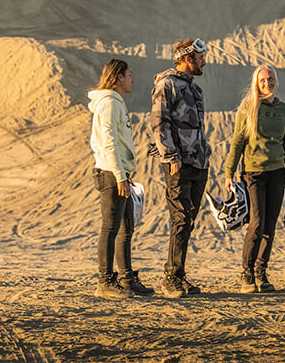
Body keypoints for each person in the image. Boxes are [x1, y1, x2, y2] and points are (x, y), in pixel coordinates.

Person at [223, 65, 285, 293]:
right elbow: (237, 141)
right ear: (256, 82)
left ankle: (261, 272)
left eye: (271, 78)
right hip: (253, 173)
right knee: (256, 223)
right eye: (263, 79)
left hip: (277, 172)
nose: (268, 82)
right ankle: (247, 274)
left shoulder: (284, 109)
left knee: (270, 225)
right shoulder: (248, 108)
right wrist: (229, 172)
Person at [149, 37, 211, 299]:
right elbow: (158, 123)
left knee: (189, 221)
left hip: (198, 163)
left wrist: (205, 152)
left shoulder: (195, 90)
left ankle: (180, 275)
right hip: (177, 164)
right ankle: (171, 279)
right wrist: (170, 155)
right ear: (187, 58)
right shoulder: (167, 85)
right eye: (200, 57)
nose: (204, 61)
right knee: (181, 219)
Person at [88, 59, 153, 298]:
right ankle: (105, 282)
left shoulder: (116, 103)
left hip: (119, 173)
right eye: (128, 75)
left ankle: (127, 279)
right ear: (117, 78)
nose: (132, 79)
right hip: (110, 173)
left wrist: (125, 173)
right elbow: (108, 143)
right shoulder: (108, 104)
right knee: (110, 228)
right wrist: (119, 177)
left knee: (126, 229)